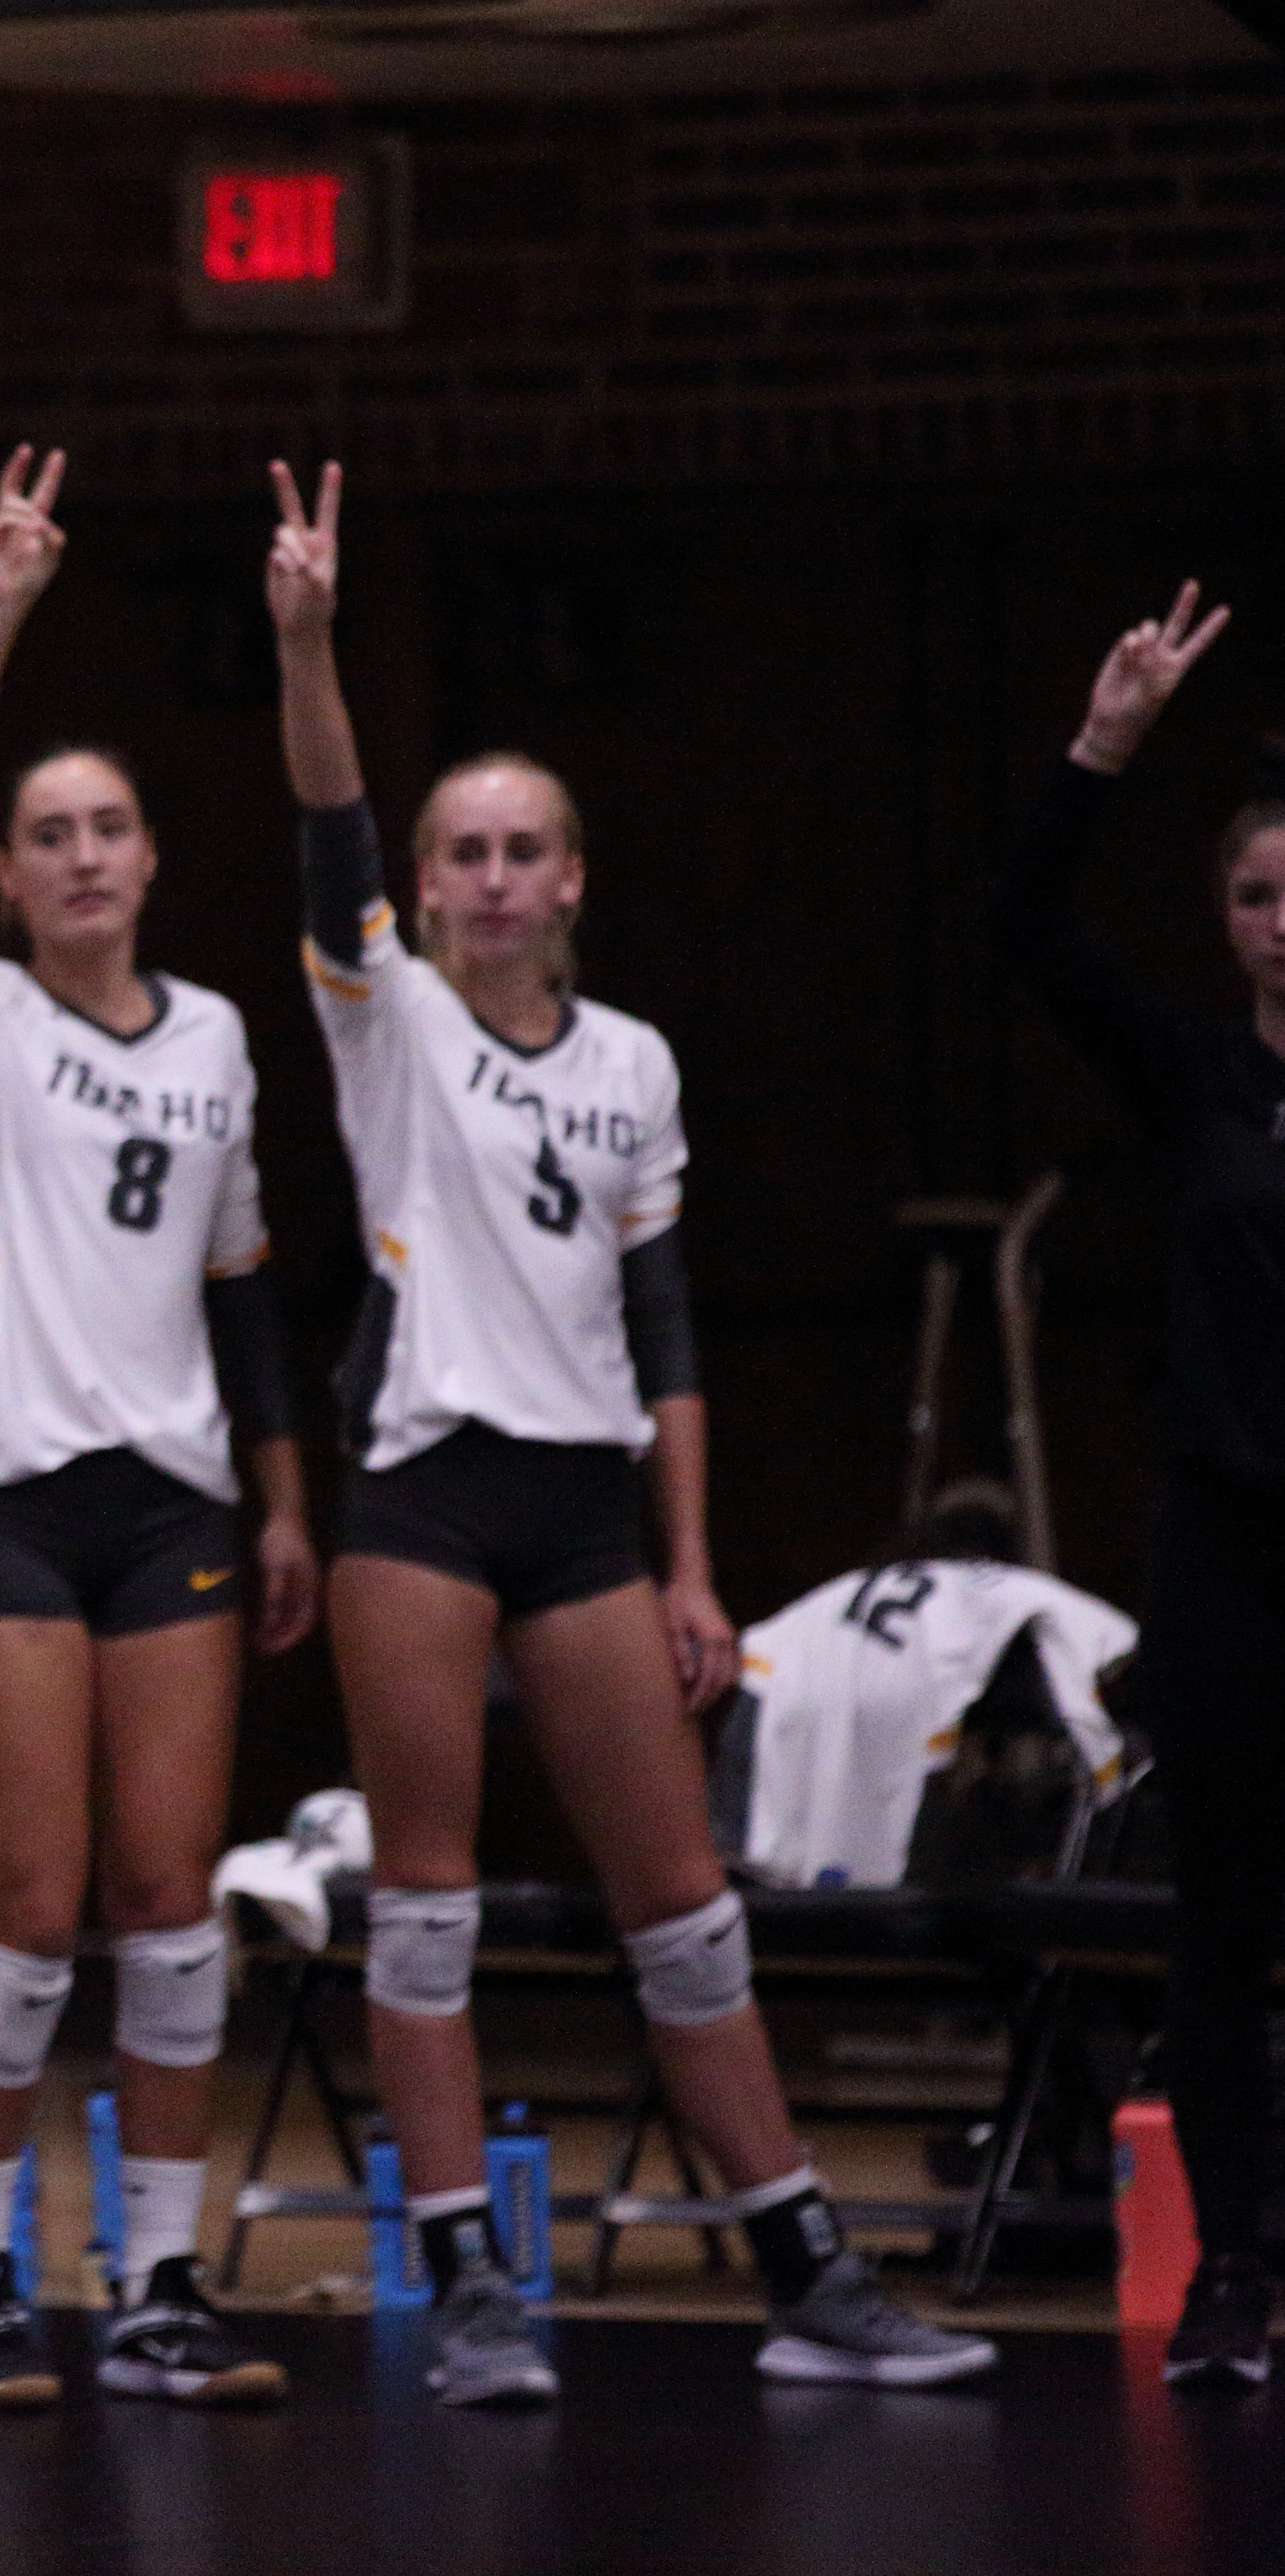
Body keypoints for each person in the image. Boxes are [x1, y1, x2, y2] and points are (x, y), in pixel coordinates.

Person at [261, 461, 991, 2404]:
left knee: (682, 1898)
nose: (492, 878)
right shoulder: (387, 1016)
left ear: (571, 880)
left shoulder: (639, 1067)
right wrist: (308, 636)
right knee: (424, 1901)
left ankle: (807, 2273)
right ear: (427, 890)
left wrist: (687, 1559)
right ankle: (464, 2289)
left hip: (587, 1509)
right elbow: (324, 811)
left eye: (525, 852)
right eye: (464, 854)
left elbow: (663, 1325)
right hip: (421, 1492)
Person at [0, 447, 315, 2408]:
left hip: (180, 1507)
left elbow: (245, 1286)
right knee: (32, 1906)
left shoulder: (217, 1035)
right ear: (7, 873)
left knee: (168, 1901)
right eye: (44, 831)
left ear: (148, 859)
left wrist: (287, 1496)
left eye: (107, 828)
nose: (76, 855)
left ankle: (154, 2282)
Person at [997, 580, 1279, 2390]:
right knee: (1231, 1925)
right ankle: (1236, 2279)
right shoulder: (1197, 1077)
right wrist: (1105, 741)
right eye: (1258, 893)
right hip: (1232, 1551)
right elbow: (1026, 932)